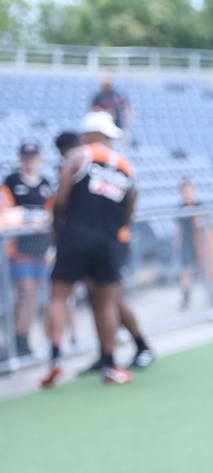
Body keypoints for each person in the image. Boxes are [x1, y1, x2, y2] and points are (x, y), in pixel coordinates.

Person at [43, 112, 149, 386]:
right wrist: (112, 230)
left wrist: (57, 229)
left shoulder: (77, 157)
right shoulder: (127, 166)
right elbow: (129, 211)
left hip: (74, 237)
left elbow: (60, 199)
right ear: (101, 135)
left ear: (87, 134)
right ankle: (110, 364)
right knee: (107, 301)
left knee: (58, 296)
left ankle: (55, 359)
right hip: (108, 242)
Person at [5, 141, 54, 359]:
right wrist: (27, 219)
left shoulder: (45, 183)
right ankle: (19, 338)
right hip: (19, 247)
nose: (30, 160)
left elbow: (50, 211)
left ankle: (22, 338)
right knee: (26, 292)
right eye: (26, 156)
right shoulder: (11, 182)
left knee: (34, 293)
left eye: (33, 156)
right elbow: (5, 212)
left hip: (40, 247)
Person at [175, 177, 213, 312]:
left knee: (206, 270)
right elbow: (180, 229)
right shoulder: (181, 209)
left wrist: (201, 222)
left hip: (200, 243)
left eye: (189, 191)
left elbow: (211, 222)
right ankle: (186, 299)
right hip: (187, 243)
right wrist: (177, 242)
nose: (187, 194)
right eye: (185, 192)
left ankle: (212, 296)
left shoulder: (201, 206)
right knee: (186, 272)